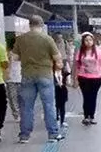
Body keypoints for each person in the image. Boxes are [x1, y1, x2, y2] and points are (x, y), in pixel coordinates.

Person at [11, 15, 64, 143]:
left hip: (27, 75)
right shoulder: (47, 39)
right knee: (49, 105)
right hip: (45, 75)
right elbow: (58, 59)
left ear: (29, 25)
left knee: (26, 107)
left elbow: (14, 57)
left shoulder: (21, 39)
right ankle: (52, 134)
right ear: (41, 25)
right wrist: (58, 69)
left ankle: (24, 136)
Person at [72, 32, 101, 125]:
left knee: (93, 96)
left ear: (93, 41)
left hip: (96, 78)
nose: (88, 42)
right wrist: (75, 78)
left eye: (90, 40)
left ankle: (91, 116)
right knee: (86, 97)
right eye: (86, 40)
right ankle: (86, 116)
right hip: (83, 77)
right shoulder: (80, 52)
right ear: (83, 42)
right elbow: (77, 66)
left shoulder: (98, 51)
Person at [5, 43, 22, 121]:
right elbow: (6, 65)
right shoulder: (9, 53)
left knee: (22, 97)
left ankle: (22, 113)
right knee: (12, 97)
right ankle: (16, 114)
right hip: (11, 78)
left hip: (21, 77)